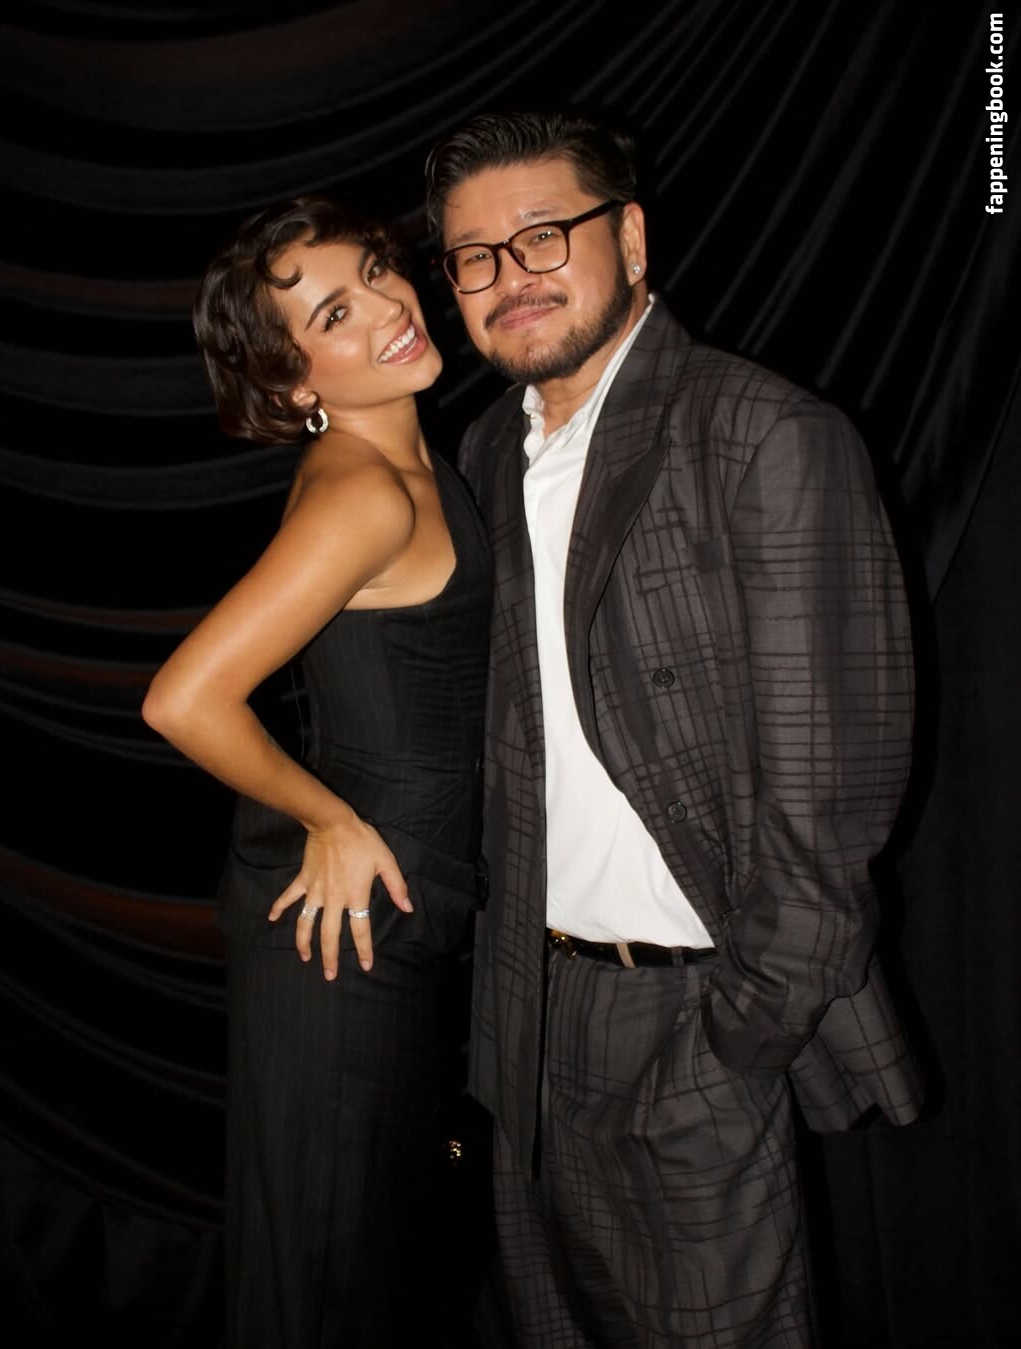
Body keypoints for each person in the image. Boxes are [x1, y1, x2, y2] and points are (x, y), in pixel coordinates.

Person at [424, 110, 924, 1348]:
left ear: (633, 239)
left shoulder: (762, 436)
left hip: (692, 1025)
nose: (510, 275)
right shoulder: (482, 456)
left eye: (544, 233)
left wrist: (731, 1042)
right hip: (526, 1016)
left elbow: (831, 808)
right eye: (475, 255)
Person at [141, 196, 491, 1349]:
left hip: (388, 927)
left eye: (377, 270)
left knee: (359, 1278)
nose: (390, 306)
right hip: (346, 942)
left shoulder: (398, 459)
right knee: (327, 1292)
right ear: (295, 385)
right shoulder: (364, 492)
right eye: (337, 313)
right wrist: (327, 818)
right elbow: (184, 697)